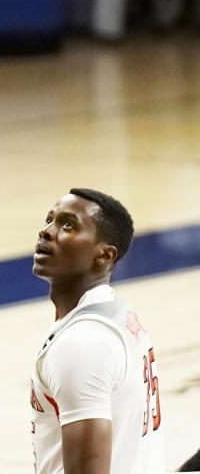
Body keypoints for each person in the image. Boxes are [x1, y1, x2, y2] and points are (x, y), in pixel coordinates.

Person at [30, 188, 165, 474]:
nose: (46, 231)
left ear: (104, 255)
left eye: (68, 225)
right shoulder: (118, 313)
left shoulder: (83, 342)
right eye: (49, 220)